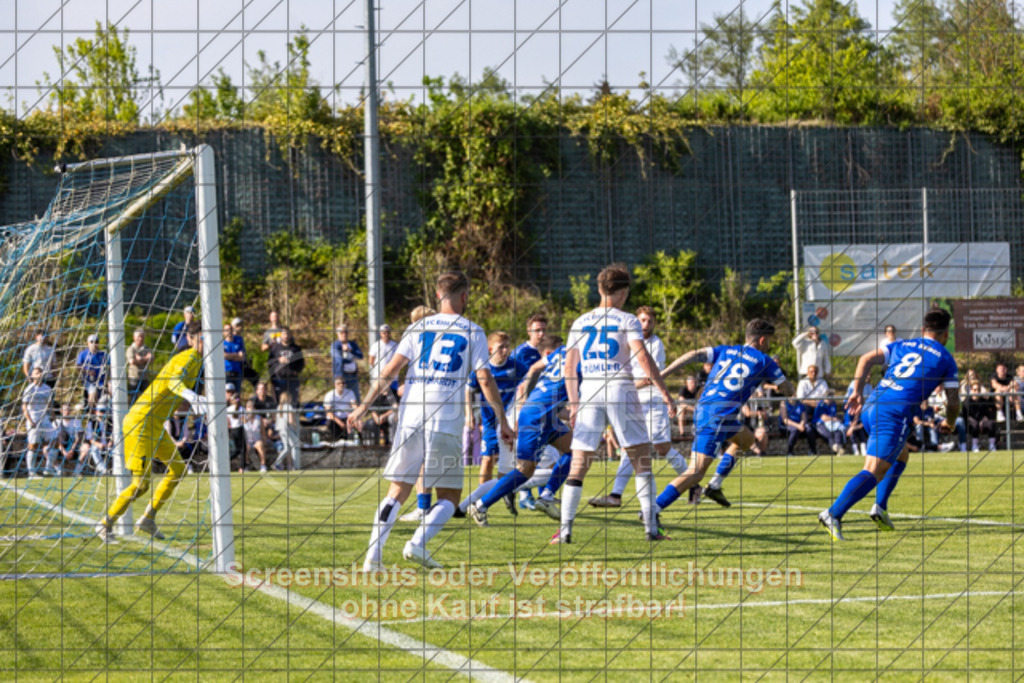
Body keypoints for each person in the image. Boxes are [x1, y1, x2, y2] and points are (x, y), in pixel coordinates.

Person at [347, 271, 512, 571]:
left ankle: (373, 556)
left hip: (411, 418)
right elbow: (484, 379)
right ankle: (417, 544)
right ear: (464, 296)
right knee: (449, 496)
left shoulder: (416, 327)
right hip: (445, 423)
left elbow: (388, 372)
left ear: (437, 296)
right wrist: (503, 420)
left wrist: (362, 406)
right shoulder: (472, 330)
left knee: (397, 490)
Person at [553, 264, 675, 544]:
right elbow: (642, 358)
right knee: (641, 460)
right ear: (623, 293)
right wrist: (664, 392)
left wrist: (574, 404)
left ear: (599, 289)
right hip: (620, 386)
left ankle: (565, 531)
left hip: (590, 390)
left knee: (579, 464)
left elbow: (570, 367)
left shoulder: (581, 321)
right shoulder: (628, 320)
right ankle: (651, 530)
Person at [819, 309, 959, 541]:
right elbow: (953, 402)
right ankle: (832, 514)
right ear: (945, 334)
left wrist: (856, 392)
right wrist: (950, 422)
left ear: (923, 330)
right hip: (893, 414)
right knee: (874, 470)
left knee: (901, 456)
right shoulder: (945, 358)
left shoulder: (902, 344)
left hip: (872, 404)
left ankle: (879, 508)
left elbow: (865, 359)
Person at [653, 319, 794, 516]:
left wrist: (663, 373)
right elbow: (786, 389)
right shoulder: (764, 361)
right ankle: (653, 509)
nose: (769, 345)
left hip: (710, 411)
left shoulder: (726, 350)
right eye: (769, 341)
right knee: (695, 472)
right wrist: (789, 390)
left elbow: (694, 354)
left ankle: (715, 485)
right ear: (762, 340)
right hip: (717, 416)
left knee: (747, 440)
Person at [96, 321, 208, 543]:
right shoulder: (186, 358)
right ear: (192, 339)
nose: (208, 342)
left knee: (178, 469)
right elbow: (173, 382)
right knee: (141, 484)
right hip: (140, 422)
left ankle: (148, 518)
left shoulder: (198, 361)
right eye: (204, 337)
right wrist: (191, 396)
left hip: (155, 425)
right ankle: (105, 524)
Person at [589, 306, 694, 509]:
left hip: (653, 401)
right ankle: (615, 495)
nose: (645, 325)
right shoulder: (628, 343)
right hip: (634, 402)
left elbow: (650, 378)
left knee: (662, 448)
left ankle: (692, 482)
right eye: (642, 321)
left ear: (654, 323)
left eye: (649, 321)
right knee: (631, 448)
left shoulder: (655, 345)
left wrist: (623, 383)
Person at [462, 334, 574, 523]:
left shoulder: (562, 352)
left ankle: (546, 496)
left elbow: (534, 368)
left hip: (542, 415)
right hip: (533, 417)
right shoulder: (580, 360)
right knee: (523, 470)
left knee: (574, 452)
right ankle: (478, 505)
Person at [459, 331, 531, 524]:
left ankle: (504, 492)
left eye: (507, 346)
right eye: (501, 347)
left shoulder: (516, 367)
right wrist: (468, 415)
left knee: (514, 464)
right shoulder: (482, 369)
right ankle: (480, 502)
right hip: (491, 422)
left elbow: (531, 380)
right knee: (488, 459)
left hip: (512, 421)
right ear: (490, 349)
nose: (506, 351)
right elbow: (468, 390)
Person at [21, 367, 59, 478]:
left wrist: (53, 419)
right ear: (32, 376)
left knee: (54, 442)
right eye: (37, 373)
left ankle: (49, 469)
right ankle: (31, 472)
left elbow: (49, 406)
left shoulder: (47, 388)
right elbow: (24, 407)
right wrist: (30, 420)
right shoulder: (29, 389)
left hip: (45, 419)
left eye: (41, 372)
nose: (40, 374)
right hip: (33, 419)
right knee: (33, 446)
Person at [267, 327, 304, 407]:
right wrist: (278, 359)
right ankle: (279, 418)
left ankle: (293, 418)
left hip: (292, 379)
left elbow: (301, 363)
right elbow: (269, 362)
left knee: (293, 402)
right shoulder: (275, 348)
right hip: (279, 379)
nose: (286, 336)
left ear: (290, 335)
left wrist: (296, 371)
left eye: (288, 333)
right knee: (278, 402)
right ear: (281, 335)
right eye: (284, 333)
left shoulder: (296, 348)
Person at [332, 324, 364, 403]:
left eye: (345, 332)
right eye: (341, 333)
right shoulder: (335, 345)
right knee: (343, 399)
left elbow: (360, 356)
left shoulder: (352, 344)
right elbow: (338, 360)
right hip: (342, 376)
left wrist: (350, 351)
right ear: (338, 334)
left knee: (355, 398)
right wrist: (349, 356)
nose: (344, 334)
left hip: (353, 375)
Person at [963, 380, 998, 452]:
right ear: (971, 390)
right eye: (974, 389)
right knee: (974, 424)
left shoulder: (984, 401)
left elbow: (987, 414)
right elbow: (966, 415)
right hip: (970, 423)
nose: (976, 391)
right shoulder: (967, 401)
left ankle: (992, 445)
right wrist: (976, 422)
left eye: (978, 389)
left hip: (982, 422)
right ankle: (974, 445)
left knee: (991, 423)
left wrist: (982, 421)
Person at [76, 334, 108, 408]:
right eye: (92, 342)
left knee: (111, 390)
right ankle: (92, 415)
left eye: (96, 342)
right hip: (89, 381)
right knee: (93, 394)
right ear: (88, 343)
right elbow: (78, 366)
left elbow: (110, 365)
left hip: (102, 381)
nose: (94, 344)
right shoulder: (83, 354)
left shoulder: (103, 354)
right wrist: (88, 372)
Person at [57, 403, 89, 476]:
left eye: (68, 410)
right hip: (61, 447)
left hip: (74, 446)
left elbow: (78, 437)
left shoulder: (76, 421)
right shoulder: (57, 422)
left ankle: (76, 472)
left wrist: (72, 450)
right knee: (46, 449)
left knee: (86, 447)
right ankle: (59, 471)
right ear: (60, 411)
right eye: (65, 410)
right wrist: (64, 452)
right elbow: (56, 440)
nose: (67, 412)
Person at [323, 376, 357, 444]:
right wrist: (340, 423)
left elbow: (354, 406)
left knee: (356, 423)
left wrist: (354, 417)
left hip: (347, 418)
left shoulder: (350, 393)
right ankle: (334, 442)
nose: (341, 385)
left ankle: (356, 443)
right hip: (335, 419)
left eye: (343, 383)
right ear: (335, 385)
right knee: (330, 424)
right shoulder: (329, 395)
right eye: (339, 383)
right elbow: (329, 413)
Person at [126, 328, 153, 403]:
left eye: (142, 336)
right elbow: (131, 361)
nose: (140, 339)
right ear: (134, 337)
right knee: (134, 399)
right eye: (138, 337)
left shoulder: (146, 348)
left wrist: (140, 358)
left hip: (145, 378)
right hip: (134, 377)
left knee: (147, 398)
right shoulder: (131, 349)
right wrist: (145, 359)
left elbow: (152, 358)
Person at [222, 324, 245, 395]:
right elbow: (224, 356)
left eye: (230, 329)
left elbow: (242, 357)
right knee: (227, 394)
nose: (229, 332)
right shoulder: (222, 343)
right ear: (224, 332)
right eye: (227, 330)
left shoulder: (238, 341)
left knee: (237, 395)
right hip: (227, 372)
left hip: (237, 372)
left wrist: (230, 356)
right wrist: (236, 355)